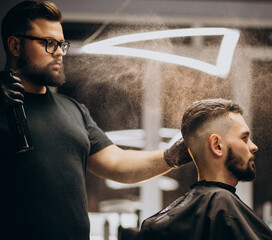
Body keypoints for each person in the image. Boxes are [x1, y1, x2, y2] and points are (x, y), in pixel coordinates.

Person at [0, 1, 191, 240]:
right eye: (49, 43)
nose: (59, 51)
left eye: (61, 44)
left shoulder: (74, 112)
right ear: (15, 45)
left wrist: (176, 155)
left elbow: (119, 163)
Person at [139, 98, 272, 240]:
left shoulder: (156, 225)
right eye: (244, 138)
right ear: (217, 145)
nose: (253, 146)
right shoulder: (222, 205)